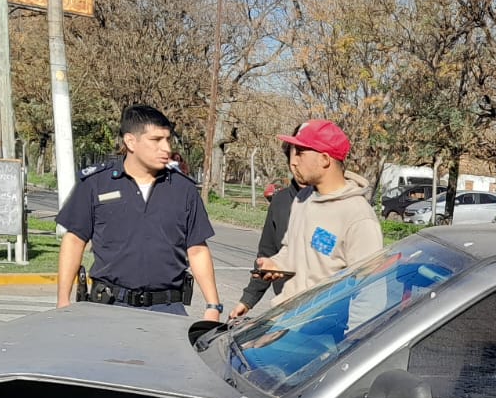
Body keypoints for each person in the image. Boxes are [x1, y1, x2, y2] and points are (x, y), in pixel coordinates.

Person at [55, 105, 223, 319]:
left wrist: (213, 306)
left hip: (167, 310)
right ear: (130, 141)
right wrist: (63, 300)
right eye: (156, 140)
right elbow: (74, 241)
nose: (166, 148)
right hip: (108, 307)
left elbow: (197, 249)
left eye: (167, 139)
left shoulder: (183, 189)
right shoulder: (96, 184)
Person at [252, 119, 382, 304]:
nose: (293, 162)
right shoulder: (303, 198)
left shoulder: (359, 217)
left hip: (324, 328)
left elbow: (369, 293)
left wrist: (356, 334)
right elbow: (292, 250)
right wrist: (277, 263)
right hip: (286, 317)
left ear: (324, 159)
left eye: (300, 153)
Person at [231, 125, 306, 320]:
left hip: (325, 313)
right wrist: (247, 301)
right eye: (294, 155)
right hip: (286, 309)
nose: (297, 163)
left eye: (304, 155)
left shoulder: (335, 205)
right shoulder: (280, 201)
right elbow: (267, 254)